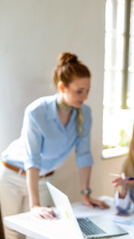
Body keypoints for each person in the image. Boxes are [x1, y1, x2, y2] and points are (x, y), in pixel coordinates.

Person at [0, 52, 109, 239]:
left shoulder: (85, 113)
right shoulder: (37, 111)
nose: (85, 96)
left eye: (87, 90)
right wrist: (34, 205)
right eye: (79, 91)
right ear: (62, 87)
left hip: (44, 179)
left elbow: (83, 155)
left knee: (41, 232)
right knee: (14, 233)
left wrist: (85, 194)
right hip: (12, 175)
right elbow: (32, 159)